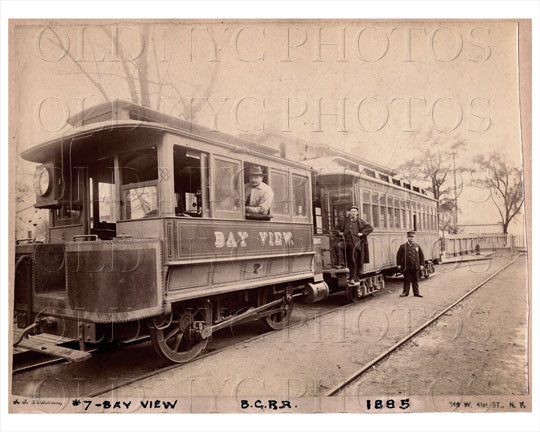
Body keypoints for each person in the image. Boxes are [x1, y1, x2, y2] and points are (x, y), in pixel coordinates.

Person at [337, 205, 374, 283]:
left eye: (354, 211)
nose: (353, 213)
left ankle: (353, 278)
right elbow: (337, 228)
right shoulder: (345, 221)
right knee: (338, 246)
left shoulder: (360, 221)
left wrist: (362, 233)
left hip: (356, 244)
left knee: (353, 260)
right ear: (350, 212)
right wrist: (340, 233)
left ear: (357, 213)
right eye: (351, 211)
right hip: (346, 242)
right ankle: (340, 263)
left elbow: (370, 228)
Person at [396, 231, 425, 297]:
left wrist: (422, 265)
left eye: (412, 237)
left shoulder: (417, 245)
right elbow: (398, 256)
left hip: (415, 266)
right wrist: (399, 264)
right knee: (407, 280)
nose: (411, 238)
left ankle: (416, 293)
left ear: (414, 237)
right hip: (407, 267)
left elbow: (421, 256)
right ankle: (405, 293)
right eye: (409, 237)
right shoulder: (403, 246)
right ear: (407, 237)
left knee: (415, 280)